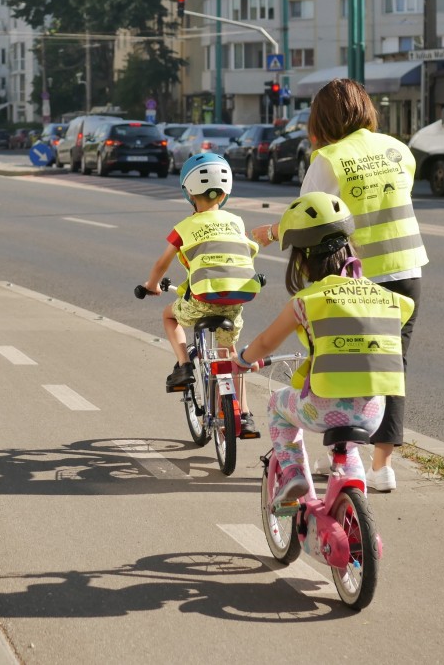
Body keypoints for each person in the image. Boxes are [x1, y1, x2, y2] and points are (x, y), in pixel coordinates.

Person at [251, 79, 427, 491]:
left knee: (338, 359)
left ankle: (346, 460)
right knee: (390, 366)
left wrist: (273, 232)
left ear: (323, 118)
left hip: (354, 274)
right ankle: (382, 468)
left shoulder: (327, 159)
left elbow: (311, 216)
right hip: (407, 269)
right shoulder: (398, 149)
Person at [236, 192, 414, 506]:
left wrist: (243, 360)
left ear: (303, 260)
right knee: (349, 449)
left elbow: (265, 343)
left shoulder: (307, 301)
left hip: (322, 409)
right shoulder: (389, 299)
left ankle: (292, 474)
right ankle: (354, 501)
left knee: (278, 404)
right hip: (373, 412)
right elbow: (402, 312)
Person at [140, 152, 263, 438]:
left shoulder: (184, 227)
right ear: (226, 192)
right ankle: (244, 417)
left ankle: (184, 366)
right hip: (235, 302)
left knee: (169, 315)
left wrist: (151, 285)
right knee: (232, 356)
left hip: (201, 299)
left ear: (188, 192)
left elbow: (162, 263)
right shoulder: (236, 221)